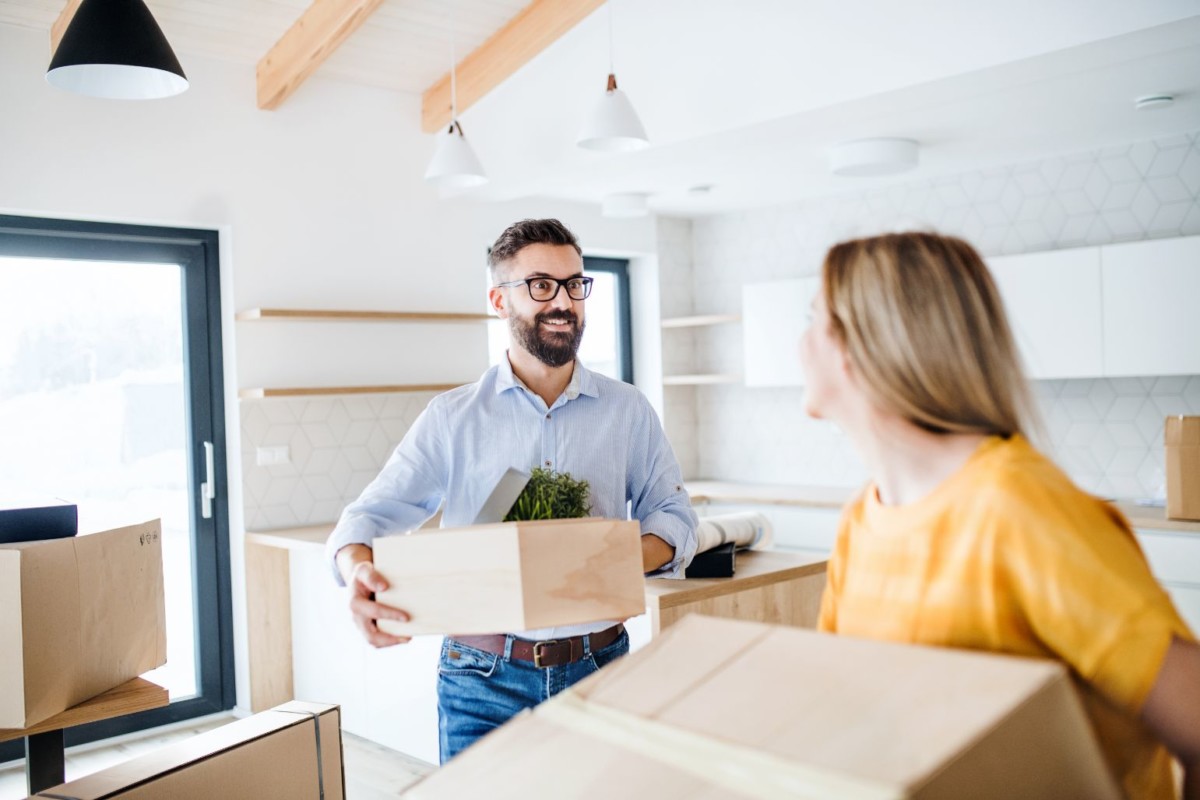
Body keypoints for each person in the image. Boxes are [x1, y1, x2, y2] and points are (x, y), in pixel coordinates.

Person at [803, 231, 1200, 800]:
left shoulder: (1020, 509)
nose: (799, 342)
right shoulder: (861, 522)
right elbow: (858, 722)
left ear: (860, 344)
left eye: (812, 317)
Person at [325, 218, 698, 763]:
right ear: (500, 300)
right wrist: (359, 572)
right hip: (480, 678)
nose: (564, 301)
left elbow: (675, 517)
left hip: (600, 668)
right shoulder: (452, 418)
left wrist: (601, 559)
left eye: (575, 284)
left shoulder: (628, 410)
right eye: (541, 285)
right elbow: (366, 521)